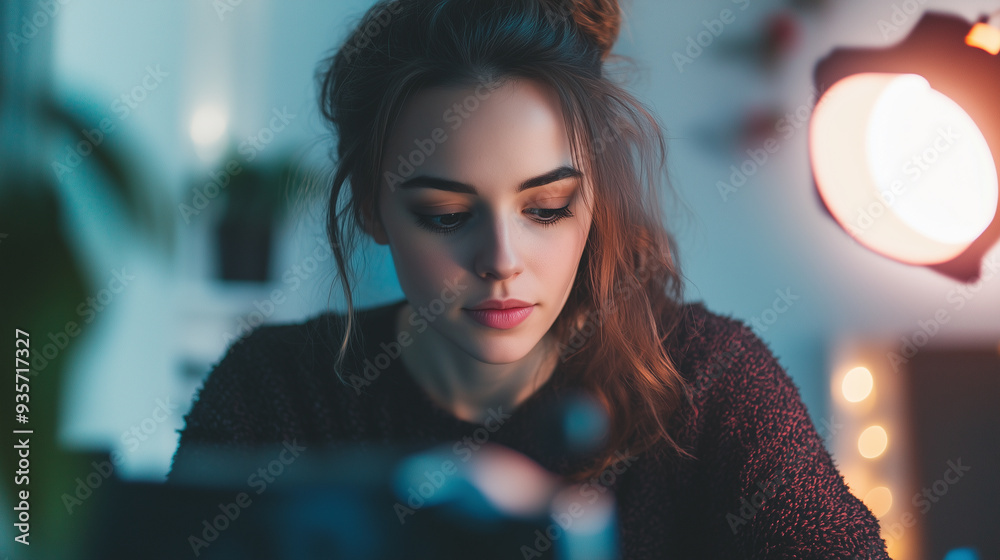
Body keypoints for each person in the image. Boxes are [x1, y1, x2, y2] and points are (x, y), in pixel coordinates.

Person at [168, 0, 892, 557]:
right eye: (448, 215)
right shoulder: (274, 394)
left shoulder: (707, 382)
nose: (503, 259)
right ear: (371, 209)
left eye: (546, 208)